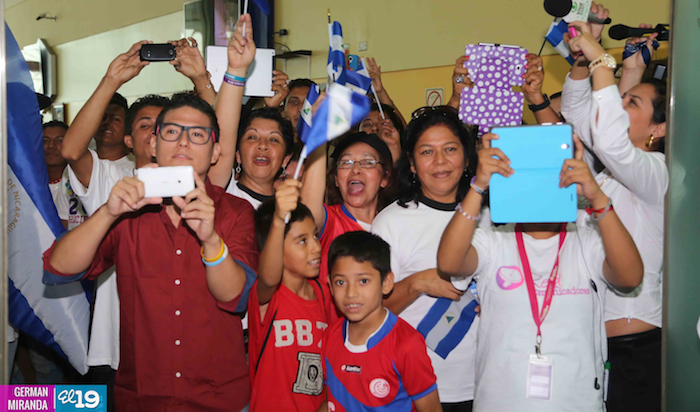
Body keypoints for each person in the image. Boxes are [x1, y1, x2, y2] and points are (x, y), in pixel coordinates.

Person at [43, 92, 258, 411]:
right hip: (143, 396)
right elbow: (57, 269)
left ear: (215, 151)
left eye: (197, 135)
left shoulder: (234, 211)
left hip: (217, 397)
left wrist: (211, 240)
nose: (183, 142)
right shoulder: (128, 207)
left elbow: (236, 297)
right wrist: (107, 213)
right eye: (171, 131)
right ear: (154, 144)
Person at [436, 131, 643, 411]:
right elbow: (449, 263)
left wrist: (597, 197)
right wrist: (479, 185)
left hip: (576, 403)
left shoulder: (587, 240)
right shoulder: (493, 240)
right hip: (500, 403)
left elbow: (630, 278)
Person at [562, 12, 667, 412]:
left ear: (658, 130)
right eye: (621, 99)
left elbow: (609, 138)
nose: (620, 106)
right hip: (594, 342)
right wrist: (585, 56)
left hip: (635, 348)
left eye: (632, 102)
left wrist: (600, 59)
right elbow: (577, 111)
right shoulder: (609, 175)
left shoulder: (655, 173)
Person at [370, 107, 479, 412]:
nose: (440, 161)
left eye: (450, 149)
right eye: (427, 151)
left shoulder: (492, 216)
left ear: (467, 158)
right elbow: (369, 311)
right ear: (412, 164)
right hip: (417, 387)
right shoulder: (391, 222)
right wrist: (417, 284)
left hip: (489, 380)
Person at [322, 231, 441, 412]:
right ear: (330, 285)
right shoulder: (330, 336)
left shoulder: (407, 344)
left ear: (386, 283)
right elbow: (332, 399)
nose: (351, 293)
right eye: (340, 282)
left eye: (363, 281)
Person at [248, 179, 333, 412]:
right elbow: (268, 278)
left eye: (315, 236)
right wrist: (278, 220)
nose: (316, 247)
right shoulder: (267, 297)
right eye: (302, 241)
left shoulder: (324, 294)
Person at [209, 17, 294, 210]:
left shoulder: (293, 211)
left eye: (274, 140)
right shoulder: (224, 193)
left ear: (286, 159)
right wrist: (237, 70)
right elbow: (222, 133)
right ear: (237, 155)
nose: (262, 145)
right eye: (252, 137)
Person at [301, 132, 394, 284]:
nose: (355, 169)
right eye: (346, 162)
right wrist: (320, 136)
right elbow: (307, 213)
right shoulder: (330, 221)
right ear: (336, 179)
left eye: (367, 162)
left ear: (385, 178)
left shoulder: (395, 225)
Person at [44, 120, 87, 230]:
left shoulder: (82, 182)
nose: (51, 146)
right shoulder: (30, 186)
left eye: (59, 141)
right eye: (45, 141)